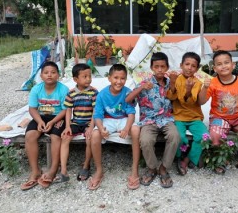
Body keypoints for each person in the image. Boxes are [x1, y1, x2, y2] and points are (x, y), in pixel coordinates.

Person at [198, 50, 238, 179]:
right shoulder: (213, 83)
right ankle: (223, 160)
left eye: (226, 62)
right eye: (219, 64)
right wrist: (204, 88)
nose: (223, 66)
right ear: (215, 68)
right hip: (219, 117)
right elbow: (201, 101)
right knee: (215, 135)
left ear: (233, 65)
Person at [126, 52, 180, 188]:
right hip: (149, 120)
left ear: (167, 67)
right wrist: (141, 88)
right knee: (145, 140)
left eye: (163, 66)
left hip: (166, 118)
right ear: (152, 68)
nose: (160, 69)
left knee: (174, 136)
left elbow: (175, 97)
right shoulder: (145, 83)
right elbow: (128, 99)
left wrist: (173, 82)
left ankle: (164, 168)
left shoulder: (170, 82)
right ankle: (152, 168)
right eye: (156, 66)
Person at [89, 64, 140, 190]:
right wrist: (101, 128)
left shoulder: (127, 92)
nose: (119, 81)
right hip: (108, 120)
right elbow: (98, 115)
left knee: (135, 130)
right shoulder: (102, 94)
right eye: (116, 78)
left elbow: (131, 113)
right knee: (95, 135)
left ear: (126, 79)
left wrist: (127, 128)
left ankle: (134, 170)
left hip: (123, 119)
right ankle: (99, 170)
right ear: (109, 78)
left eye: (122, 78)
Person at [20, 61, 69, 190]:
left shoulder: (63, 89)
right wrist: (40, 121)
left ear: (58, 75)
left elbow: (65, 110)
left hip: (58, 117)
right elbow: (32, 109)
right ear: (41, 76)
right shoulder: (36, 89)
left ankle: (53, 169)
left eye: (53, 72)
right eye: (46, 73)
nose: (49, 75)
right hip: (40, 116)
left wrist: (52, 122)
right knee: (30, 136)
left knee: (55, 136)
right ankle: (35, 171)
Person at [167, 52, 209, 175]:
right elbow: (171, 97)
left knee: (203, 136)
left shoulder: (198, 83)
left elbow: (194, 102)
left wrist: (191, 90)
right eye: (187, 64)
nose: (189, 68)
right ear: (181, 65)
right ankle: (179, 156)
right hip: (178, 116)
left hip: (195, 117)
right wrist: (173, 83)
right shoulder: (176, 79)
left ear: (197, 69)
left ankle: (187, 159)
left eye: (193, 66)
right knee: (179, 137)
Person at [60, 63, 98, 182]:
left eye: (90, 76)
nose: (88, 79)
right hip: (76, 122)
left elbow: (95, 111)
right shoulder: (71, 93)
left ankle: (86, 165)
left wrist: (91, 127)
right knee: (65, 137)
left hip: (89, 122)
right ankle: (63, 169)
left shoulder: (93, 92)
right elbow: (68, 110)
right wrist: (67, 126)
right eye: (85, 76)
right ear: (76, 79)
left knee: (89, 138)